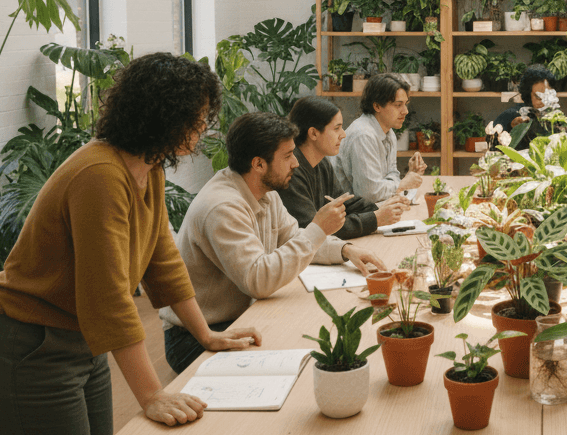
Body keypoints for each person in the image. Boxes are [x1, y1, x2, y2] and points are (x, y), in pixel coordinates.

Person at [0, 53, 261, 435]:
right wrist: (152, 394)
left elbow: (162, 260)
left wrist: (205, 334)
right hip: (27, 346)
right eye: (195, 118)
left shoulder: (149, 168)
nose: (202, 128)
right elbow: (106, 296)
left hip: (81, 343)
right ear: (163, 116)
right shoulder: (100, 175)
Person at [161, 111, 387, 374]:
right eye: (288, 156)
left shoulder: (265, 192)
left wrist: (346, 250)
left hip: (239, 317)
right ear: (258, 164)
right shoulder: (222, 207)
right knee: (307, 364)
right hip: (194, 336)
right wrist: (318, 229)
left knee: (315, 340)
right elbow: (258, 281)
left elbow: (294, 237)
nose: (296, 163)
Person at [281, 96, 410, 241]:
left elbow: (345, 202)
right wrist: (376, 218)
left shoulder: (321, 162)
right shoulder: (290, 171)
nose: (343, 134)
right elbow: (316, 229)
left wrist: (382, 209)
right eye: (337, 128)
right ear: (313, 133)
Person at [335, 73, 426, 202]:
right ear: (377, 106)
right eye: (398, 105)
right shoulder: (363, 135)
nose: (405, 111)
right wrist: (402, 184)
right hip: (349, 210)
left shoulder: (388, 132)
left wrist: (407, 178)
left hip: (372, 206)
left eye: (405, 104)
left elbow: (391, 174)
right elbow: (369, 194)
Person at [491, 65, 554, 149]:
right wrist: (512, 127)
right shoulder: (510, 115)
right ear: (528, 95)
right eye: (538, 96)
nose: (544, 101)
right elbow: (493, 146)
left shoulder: (555, 117)